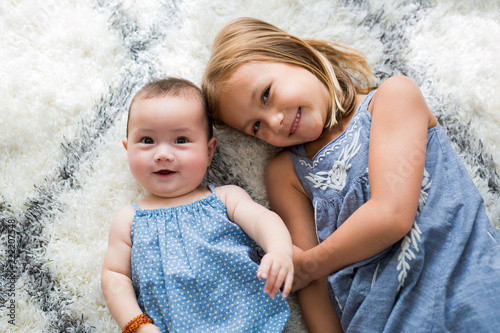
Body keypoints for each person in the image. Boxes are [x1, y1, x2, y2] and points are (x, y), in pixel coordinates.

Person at [201, 17, 500, 333]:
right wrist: (307, 269)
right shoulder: (286, 174)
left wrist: (311, 264)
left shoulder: (393, 98)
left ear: (294, 55)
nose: (273, 121)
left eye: (266, 95)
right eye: (256, 127)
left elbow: (392, 215)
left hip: (470, 294)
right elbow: (312, 288)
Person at [101, 77, 294, 333]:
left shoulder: (226, 198)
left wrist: (279, 250)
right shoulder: (128, 219)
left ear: (209, 151)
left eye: (181, 140)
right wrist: (137, 325)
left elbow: (263, 220)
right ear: (128, 150)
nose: (163, 154)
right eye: (147, 140)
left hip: (250, 323)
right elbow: (115, 276)